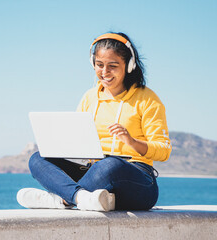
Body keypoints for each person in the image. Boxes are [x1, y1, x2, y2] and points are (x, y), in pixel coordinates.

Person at [17, 32, 172, 211]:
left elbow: (164, 151)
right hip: (92, 172)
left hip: (136, 179)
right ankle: (86, 198)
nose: (104, 72)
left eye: (112, 66)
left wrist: (131, 142)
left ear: (129, 65)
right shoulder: (89, 97)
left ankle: (62, 199)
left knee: (109, 165)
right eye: (99, 65)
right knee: (38, 158)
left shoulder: (147, 99)